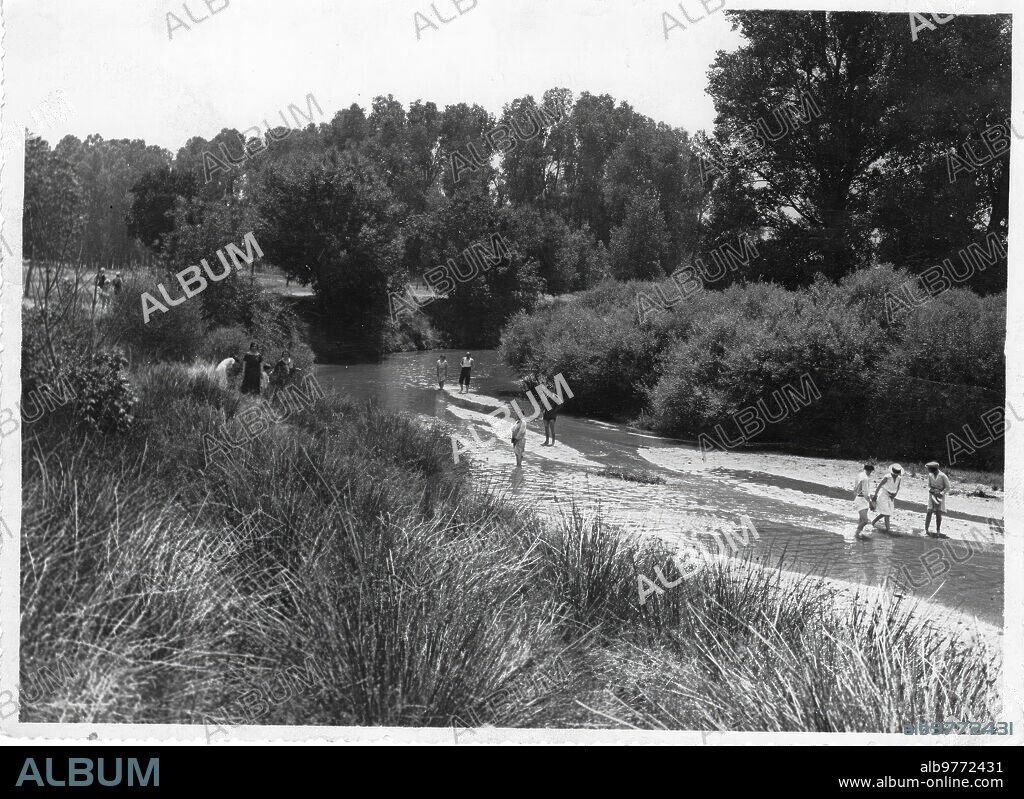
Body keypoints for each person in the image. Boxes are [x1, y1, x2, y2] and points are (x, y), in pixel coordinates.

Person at [871, 463, 903, 534]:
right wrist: (875, 495)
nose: (896, 475)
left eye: (897, 473)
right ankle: (888, 530)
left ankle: (873, 522)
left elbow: (898, 487)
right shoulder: (887, 477)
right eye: (895, 473)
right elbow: (879, 486)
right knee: (887, 513)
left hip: (891, 497)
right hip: (884, 496)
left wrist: (895, 494)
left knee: (886, 513)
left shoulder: (899, 478)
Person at [925, 461, 951, 538]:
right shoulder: (930, 475)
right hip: (932, 495)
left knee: (938, 513)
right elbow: (929, 485)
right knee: (929, 511)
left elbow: (948, 487)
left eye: (929, 469)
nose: (928, 470)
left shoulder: (943, 476)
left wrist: (941, 493)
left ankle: (938, 530)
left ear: (933, 469)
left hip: (940, 496)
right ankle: (926, 529)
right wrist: (930, 490)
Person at [853, 463, 876, 539]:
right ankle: (856, 534)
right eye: (871, 471)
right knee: (865, 521)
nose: (871, 473)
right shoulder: (865, 478)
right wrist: (871, 503)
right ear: (869, 470)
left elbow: (855, 488)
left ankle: (858, 534)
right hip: (862, 500)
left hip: (858, 498)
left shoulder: (860, 475)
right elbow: (865, 493)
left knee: (861, 519)